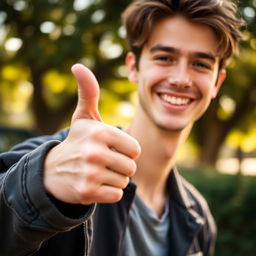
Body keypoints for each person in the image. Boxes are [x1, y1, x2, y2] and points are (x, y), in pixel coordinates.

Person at [0, 0, 244, 255]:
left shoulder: (198, 217)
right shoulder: (62, 161)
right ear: (133, 67)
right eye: (164, 57)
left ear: (217, 82)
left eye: (201, 64)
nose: (181, 79)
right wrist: (37, 187)